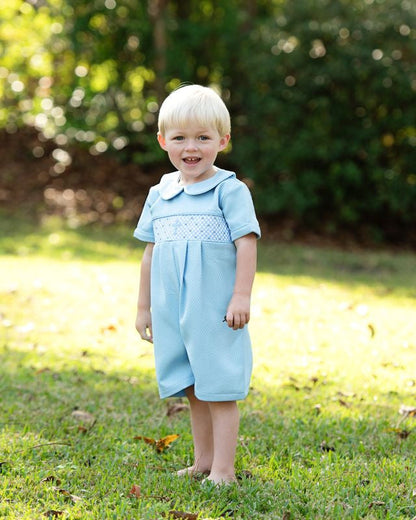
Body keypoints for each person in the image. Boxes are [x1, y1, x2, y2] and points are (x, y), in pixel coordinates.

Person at [134, 84, 260, 485]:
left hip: (214, 309)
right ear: (162, 141)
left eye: (203, 138)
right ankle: (204, 460)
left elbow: (247, 244)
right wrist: (143, 307)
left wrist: (241, 295)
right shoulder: (160, 193)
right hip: (172, 308)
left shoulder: (230, 190)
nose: (192, 147)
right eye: (180, 138)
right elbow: (150, 253)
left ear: (222, 140)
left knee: (219, 387)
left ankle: (224, 470)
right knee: (191, 387)